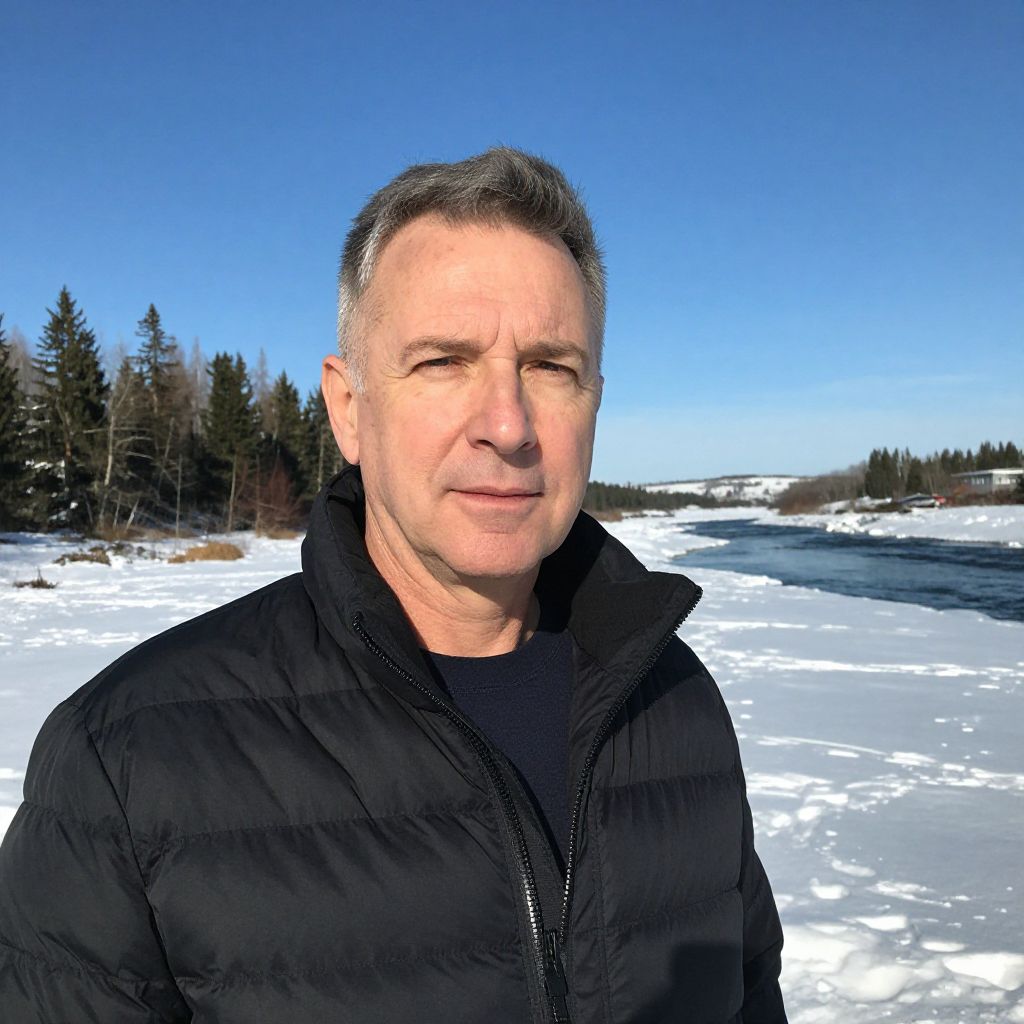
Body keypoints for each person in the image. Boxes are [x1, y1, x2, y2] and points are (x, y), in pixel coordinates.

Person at [0, 147, 787, 1023]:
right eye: (444, 360)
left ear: (594, 399)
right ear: (348, 408)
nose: (507, 424)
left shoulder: (674, 706)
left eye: (550, 367)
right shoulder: (128, 764)